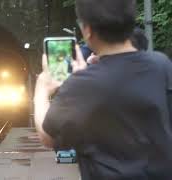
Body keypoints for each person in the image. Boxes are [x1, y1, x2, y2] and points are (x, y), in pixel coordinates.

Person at [34, 0, 172, 179]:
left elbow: (48, 136)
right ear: (130, 21)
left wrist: (41, 91)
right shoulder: (161, 66)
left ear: (88, 30)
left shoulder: (81, 85)